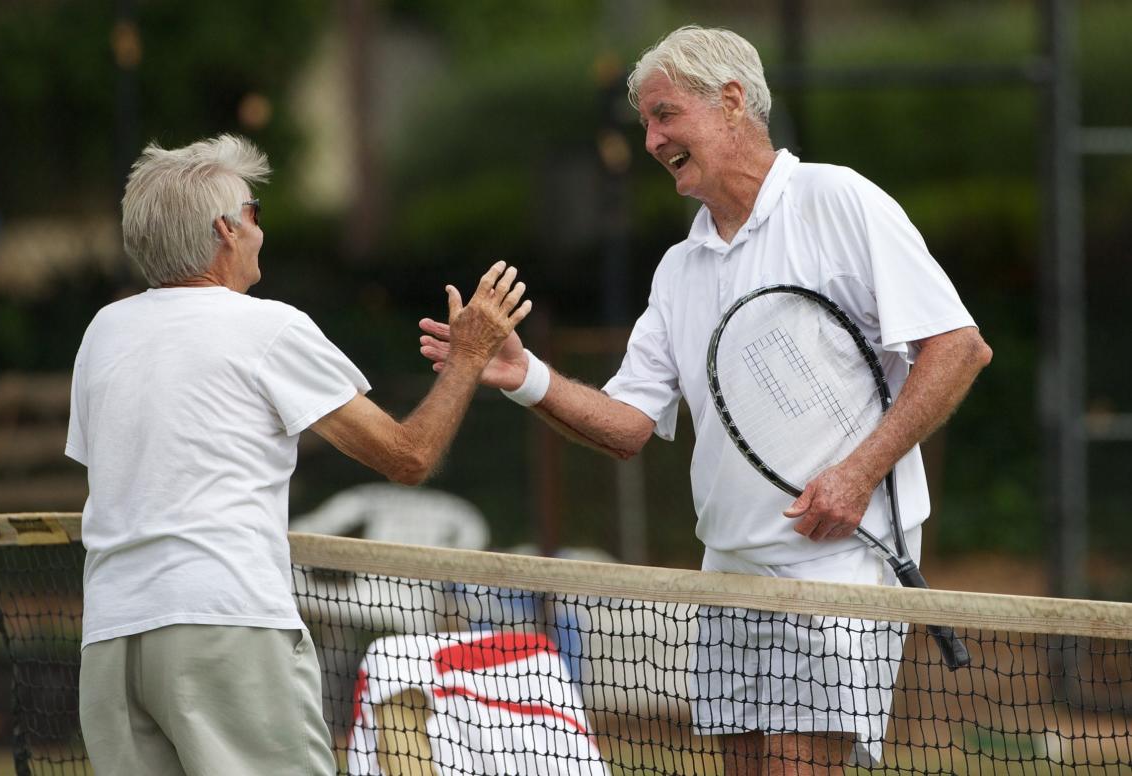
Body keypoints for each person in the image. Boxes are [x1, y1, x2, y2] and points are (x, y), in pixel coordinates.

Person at [419, 25, 992, 776]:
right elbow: (628, 426)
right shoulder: (680, 269)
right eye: (646, 122)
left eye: (665, 115)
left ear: (730, 103)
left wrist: (858, 474)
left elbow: (958, 347)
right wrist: (525, 377)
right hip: (726, 569)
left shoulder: (836, 199)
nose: (652, 139)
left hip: (835, 568)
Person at [66, 134, 529, 776]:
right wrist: (471, 356)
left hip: (110, 636)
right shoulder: (267, 327)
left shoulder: (102, 333)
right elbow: (410, 457)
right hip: (227, 625)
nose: (261, 228)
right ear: (226, 230)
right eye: (254, 212)